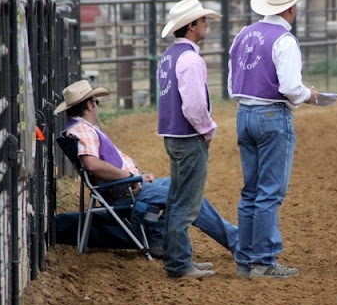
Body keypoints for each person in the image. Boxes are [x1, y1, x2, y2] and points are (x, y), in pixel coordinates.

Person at [53, 80, 237, 275]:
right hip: (125, 190)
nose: (97, 107)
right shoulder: (83, 130)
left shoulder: (80, 128)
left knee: (184, 187)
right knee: (188, 195)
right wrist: (130, 177)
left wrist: (137, 176)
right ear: (90, 105)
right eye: (96, 103)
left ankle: (160, 239)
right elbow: (92, 164)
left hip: (127, 185)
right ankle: (234, 242)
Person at [227, 0, 320, 279]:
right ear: (290, 8)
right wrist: (310, 95)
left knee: (251, 191)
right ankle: (264, 261)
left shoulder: (243, 34)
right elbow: (292, 87)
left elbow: (232, 84)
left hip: (244, 114)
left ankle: (245, 260)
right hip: (272, 116)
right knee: (269, 192)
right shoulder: (284, 41)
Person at [157, 0, 221, 278]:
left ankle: (177, 259)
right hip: (188, 136)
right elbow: (194, 106)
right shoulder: (191, 59)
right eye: (202, 20)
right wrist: (207, 129)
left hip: (172, 134)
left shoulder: (169, 56)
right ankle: (179, 264)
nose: (206, 23)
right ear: (191, 26)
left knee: (176, 199)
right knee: (186, 203)